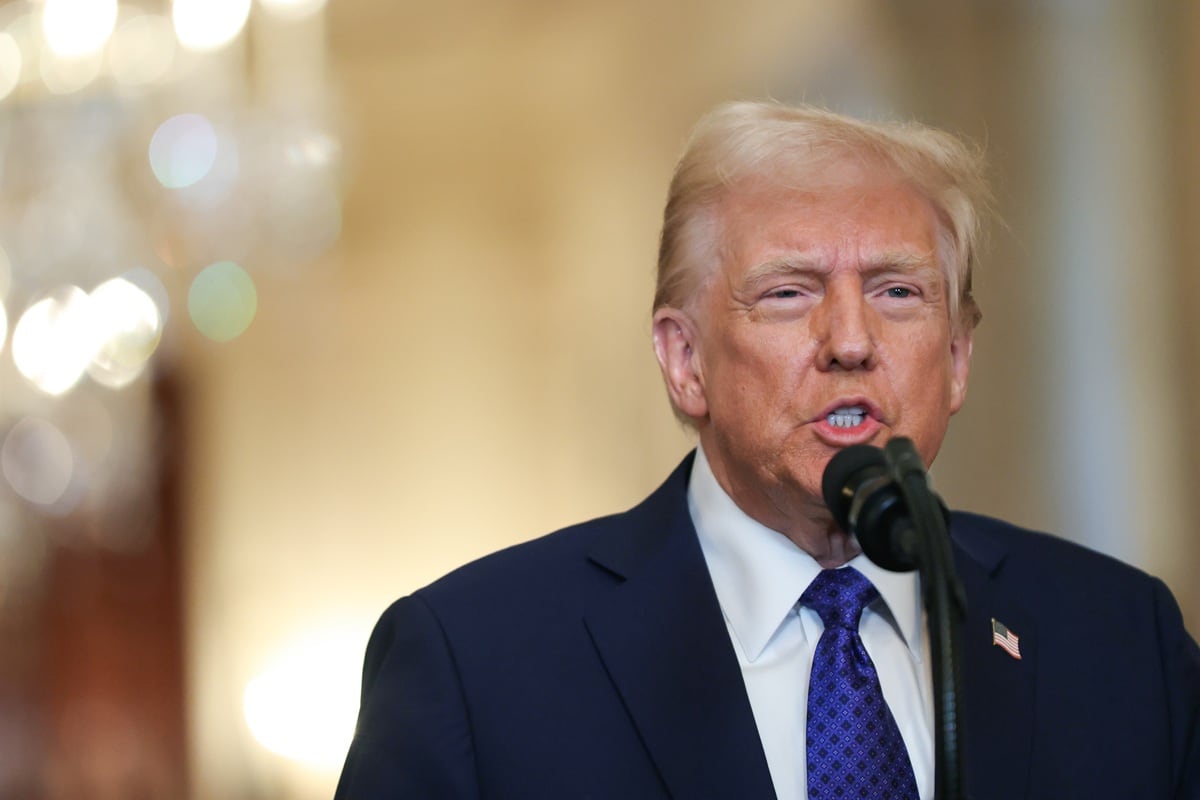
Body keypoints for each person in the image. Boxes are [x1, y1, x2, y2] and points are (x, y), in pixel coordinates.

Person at [334, 101, 1200, 800]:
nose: (852, 340)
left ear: (959, 357)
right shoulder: (476, 663)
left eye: (899, 292)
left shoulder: (1121, 640)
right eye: (789, 294)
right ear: (685, 362)